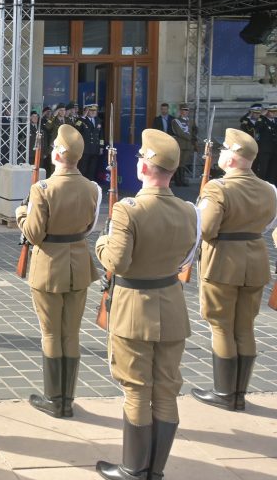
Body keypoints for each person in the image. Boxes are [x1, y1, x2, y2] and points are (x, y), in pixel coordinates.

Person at [94, 129, 199, 480]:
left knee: (137, 389)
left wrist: (101, 243)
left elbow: (116, 262)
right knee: (167, 388)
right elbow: (187, 258)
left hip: (134, 309)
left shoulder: (129, 210)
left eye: (141, 157)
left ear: (145, 167)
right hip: (170, 305)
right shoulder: (188, 211)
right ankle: (155, 469)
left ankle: (133, 468)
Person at [15, 124, 101, 419]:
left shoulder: (43, 189)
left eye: (54, 147)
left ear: (60, 154)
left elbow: (35, 234)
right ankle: (68, 398)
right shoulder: (91, 187)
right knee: (71, 333)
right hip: (78, 262)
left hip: (49, 264)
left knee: (51, 333)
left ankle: (55, 399)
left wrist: (21, 214)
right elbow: (89, 226)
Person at [190, 128, 277, 412]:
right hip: (255, 260)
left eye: (224, 150)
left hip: (223, 262)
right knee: (245, 327)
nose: (220, 155)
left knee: (221, 325)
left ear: (234, 158)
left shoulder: (218, 188)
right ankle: (239, 394)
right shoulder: (268, 189)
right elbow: (266, 226)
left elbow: (206, 228)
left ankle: (224, 393)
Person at [169, 103, 195, 187]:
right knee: (178, 162)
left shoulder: (190, 121)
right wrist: (190, 137)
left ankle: (182, 179)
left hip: (188, 145)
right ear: (180, 111)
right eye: (184, 109)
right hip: (180, 144)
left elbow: (194, 131)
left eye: (187, 110)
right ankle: (177, 180)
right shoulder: (176, 121)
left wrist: (194, 138)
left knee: (183, 163)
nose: (186, 111)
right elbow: (180, 133)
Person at [76, 104, 103, 182]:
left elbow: (101, 135)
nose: (93, 112)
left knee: (92, 169)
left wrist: (101, 147)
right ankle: (82, 183)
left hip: (95, 148)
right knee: (83, 168)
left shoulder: (98, 120)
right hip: (85, 149)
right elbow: (76, 127)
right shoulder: (81, 120)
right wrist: (83, 117)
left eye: (95, 110)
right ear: (87, 111)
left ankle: (90, 184)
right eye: (91, 110)